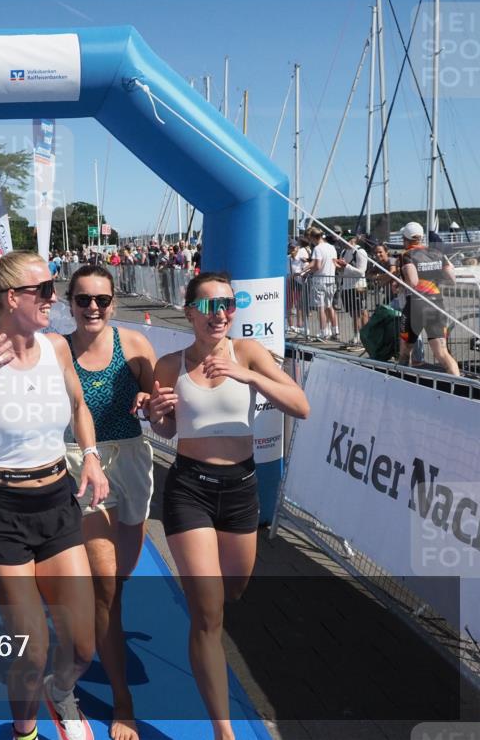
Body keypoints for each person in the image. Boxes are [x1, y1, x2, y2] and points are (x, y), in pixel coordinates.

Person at [0, 250, 108, 740]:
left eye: (52, 287)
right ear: (9, 298)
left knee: (82, 647)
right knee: (32, 649)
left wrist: (90, 455)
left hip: (58, 504)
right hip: (4, 513)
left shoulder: (57, 348)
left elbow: (79, 407)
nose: (53, 298)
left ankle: (60, 692)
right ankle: (26, 732)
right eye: (43, 290)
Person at [148, 272, 308, 740]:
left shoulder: (249, 353)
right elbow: (165, 430)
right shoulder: (170, 364)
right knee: (208, 613)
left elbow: (301, 406)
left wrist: (249, 375)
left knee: (233, 589)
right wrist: (157, 415)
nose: (220, 314)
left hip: (240, 489)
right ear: (190, 311)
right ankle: (224, 730)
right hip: (189, 490)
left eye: (228, 305)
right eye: (209, 305)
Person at [63, 265, 157, 740]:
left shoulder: (135, 345)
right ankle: (123, 702)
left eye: (101, 299)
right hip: (80, 461)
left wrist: (149, 399)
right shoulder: (58, 349)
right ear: (70, 303)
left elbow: (161, 411)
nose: (93, 307)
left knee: (121, 578)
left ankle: (89, 625)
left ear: (113, 302)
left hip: (133, 461)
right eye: (83, 299)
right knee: (107, 588)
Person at [397, 222, 460, 376]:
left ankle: (402, 380)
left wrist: (401, 284)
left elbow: (413, 282)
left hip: (416, 306)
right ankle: (458, 382)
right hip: (436, 304)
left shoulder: (407, 255)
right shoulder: (437, 253)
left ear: (405, 239)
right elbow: (452, 279)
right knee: (442, 353)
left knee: (405, 349)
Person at [302, 226, 338, 340]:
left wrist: (305, 272)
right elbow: (334, 263)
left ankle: (323, 332)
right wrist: (305, 270)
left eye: (309, 239)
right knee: (330, 306)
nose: (310, 242)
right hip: (331, 280)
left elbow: (317, 265)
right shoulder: (331, 247)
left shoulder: (317, 248)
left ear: (312, 237)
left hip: (319, 280)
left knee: (320, 308)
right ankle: (335, 330)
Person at [335, 236, 369, 347]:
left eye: (345, 241)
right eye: (341, 241)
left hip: (358, 286)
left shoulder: (360, 252)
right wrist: (338, 266)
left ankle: (364, 337)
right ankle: (357, 335)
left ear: (353, 240)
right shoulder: (344, 252)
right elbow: (342, 270)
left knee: (360, 313)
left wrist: (346, 266)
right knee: (353, 313)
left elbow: (361, 272)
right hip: (346, 286)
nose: (343, 243)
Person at [286, 241, 309, 335]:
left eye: (294, 247)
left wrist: (301, 274)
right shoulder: (287, 258)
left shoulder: (301, 258)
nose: (292, 249)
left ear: (298, 248)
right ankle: (291, 326)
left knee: (299, 304)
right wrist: (290, 276)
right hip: (290, 282)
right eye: (290, 247)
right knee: (289, 304)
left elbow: (307, 269)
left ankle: (300, 325)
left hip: (300, 282)